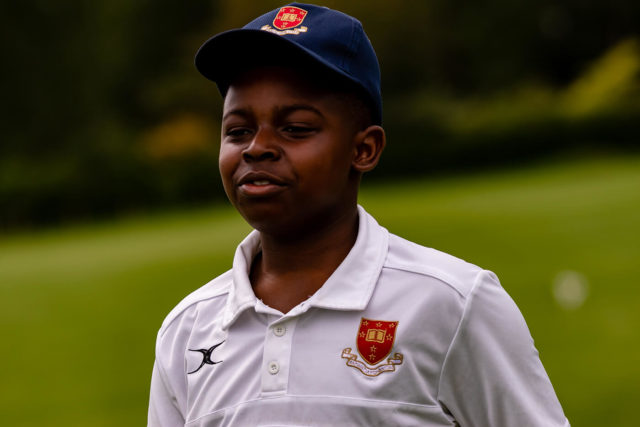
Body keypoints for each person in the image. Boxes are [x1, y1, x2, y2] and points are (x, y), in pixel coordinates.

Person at [147, 3, 569, 426]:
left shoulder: (452, 304)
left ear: (363, 149)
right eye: (238, 131)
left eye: (295, 128)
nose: (257, 147)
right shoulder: (188, 329)